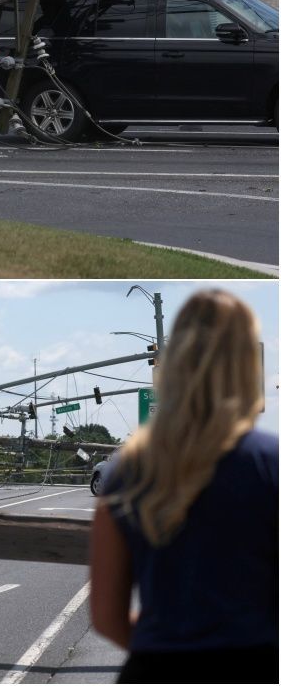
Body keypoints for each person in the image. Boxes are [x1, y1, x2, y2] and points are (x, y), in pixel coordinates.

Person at [90, 289, 278, 684]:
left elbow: (106, 616)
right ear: (247, 365)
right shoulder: (269, 464)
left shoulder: (128, 469)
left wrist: (168, 642)